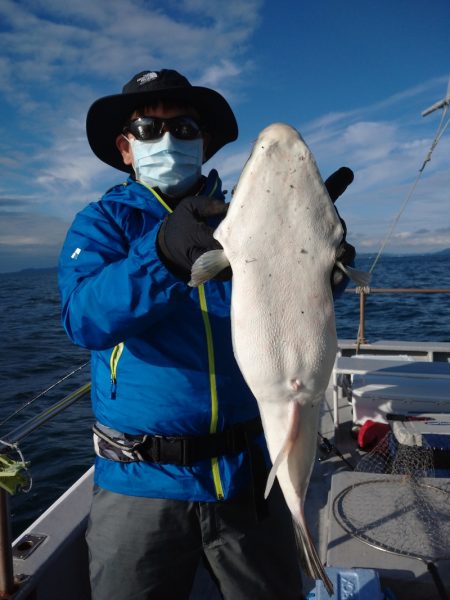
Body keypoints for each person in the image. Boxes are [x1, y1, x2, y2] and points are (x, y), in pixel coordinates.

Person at [58, 69, 355, 600]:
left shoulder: (249, 219)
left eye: (185, 126)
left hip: (250, 478)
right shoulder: (102, 224)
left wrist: (317, 268)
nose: (168, 139)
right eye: (148, 127)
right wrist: (162, 255)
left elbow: (285, 315)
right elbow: (84, 318)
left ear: (205, 142)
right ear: (126, 149)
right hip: (140, 486)